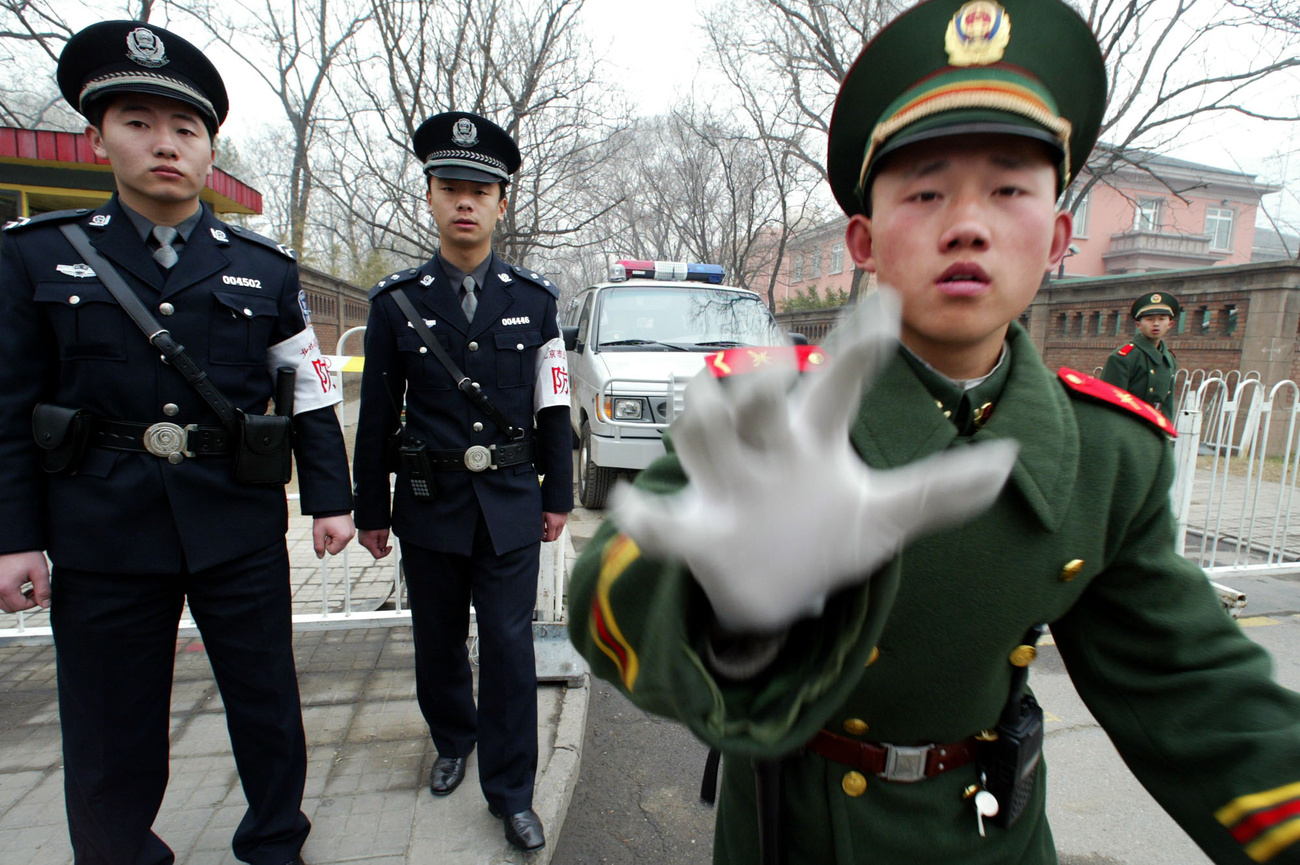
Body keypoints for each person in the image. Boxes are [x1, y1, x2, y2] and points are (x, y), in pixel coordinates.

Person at [567, 1, 1300, 863]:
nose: (967, 221)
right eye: (925, 189)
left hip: (995, 833)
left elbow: (1197, 694)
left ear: (1058, 235)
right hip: (799, 832)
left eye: (1009, 187)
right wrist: (730, 603)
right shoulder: (774, 417)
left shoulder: (1104, 454)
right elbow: (602, 611)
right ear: (865, 240)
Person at [0, 20, 355, 865]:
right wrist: (16, 537)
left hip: (235, 523)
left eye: (184, 129)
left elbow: (309, 390)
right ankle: (120, 849)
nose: (164, 144)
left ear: (209, 148)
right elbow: (11, 407)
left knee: (267, 701)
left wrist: (332, 500)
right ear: (98, 139)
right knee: (109, 718)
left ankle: (274, 839)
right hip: (102, 527)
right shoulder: (38, 259)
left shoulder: (263, 271)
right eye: (138, 123)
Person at [352, 111, 572, 852]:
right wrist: (369, 509)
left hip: (509, 505)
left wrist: (558, 496)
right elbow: (376, 414)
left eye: (481, 189)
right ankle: (453, 736)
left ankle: (511, 790)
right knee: (437, 638)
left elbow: (554, 403)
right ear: (431, 197)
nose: (466, 201)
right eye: (452, 187)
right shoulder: (395, 303)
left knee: (509, 649)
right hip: (428, 502)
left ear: (503, 202)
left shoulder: (536, 303)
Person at [1101, 291, 1181, 420]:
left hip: (1156, 423)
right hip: (1130, 423)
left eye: (1162, 319)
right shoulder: (1123, 357)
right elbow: (1110, 401)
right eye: (1149, 319)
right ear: (1138, 325)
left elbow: (1167, 401)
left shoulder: (1169, 357)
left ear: (1170, 324)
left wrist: (1167, 430)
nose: (1156, 324)